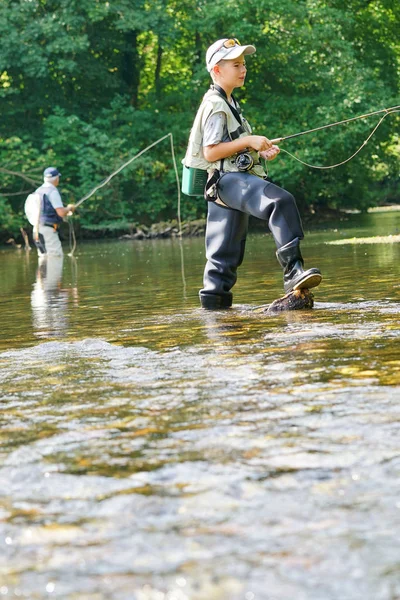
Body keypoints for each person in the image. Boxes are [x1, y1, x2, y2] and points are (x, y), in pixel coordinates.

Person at [183, 38, 322, 309]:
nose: (243, 69)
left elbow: (231, 149)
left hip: (224, 186)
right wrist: (249, 141)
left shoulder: (228, 101)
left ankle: (216, 318)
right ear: (217, 70)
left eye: (243, 64)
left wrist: (259, 150)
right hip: (226, 183)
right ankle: (293, 271)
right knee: (279, 201)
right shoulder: (216, 105)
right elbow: (210, 152)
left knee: (223, 260)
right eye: (235, 64)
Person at [33, 167, 75, 257]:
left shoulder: (38, 191)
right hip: (48, 230)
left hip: (36, 230)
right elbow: (60, 212)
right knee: (55, 258)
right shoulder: (52, 192)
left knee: (44, 260)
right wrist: (69, 208)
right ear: (56, 179)